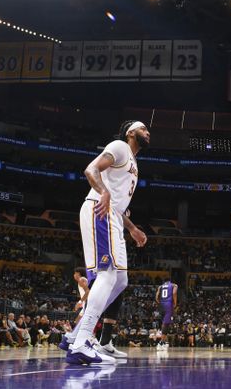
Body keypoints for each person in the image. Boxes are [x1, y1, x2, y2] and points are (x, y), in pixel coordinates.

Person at [64, 120, 150, 365]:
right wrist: (103, 191)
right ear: (131, 133)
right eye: (144, 129)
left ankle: (74, 336)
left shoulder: (134, 162)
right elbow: (91, 169)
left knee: (120, 280)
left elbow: (118, 201)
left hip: (112, 214)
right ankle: (81, 341)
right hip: (100, 210)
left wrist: (132, 228)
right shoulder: (120, 147)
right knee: (108, 273)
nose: (148, 133)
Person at [156, 279, 177, 349]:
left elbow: (157, 296)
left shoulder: (160, 286)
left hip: (162, 304)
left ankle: (163, 341)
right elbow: (174, 293)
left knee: (164, 323)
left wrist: (159, 302)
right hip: (168, 304)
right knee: (166, 324)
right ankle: (161, 343)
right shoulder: (174, 285)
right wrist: (175, 302)